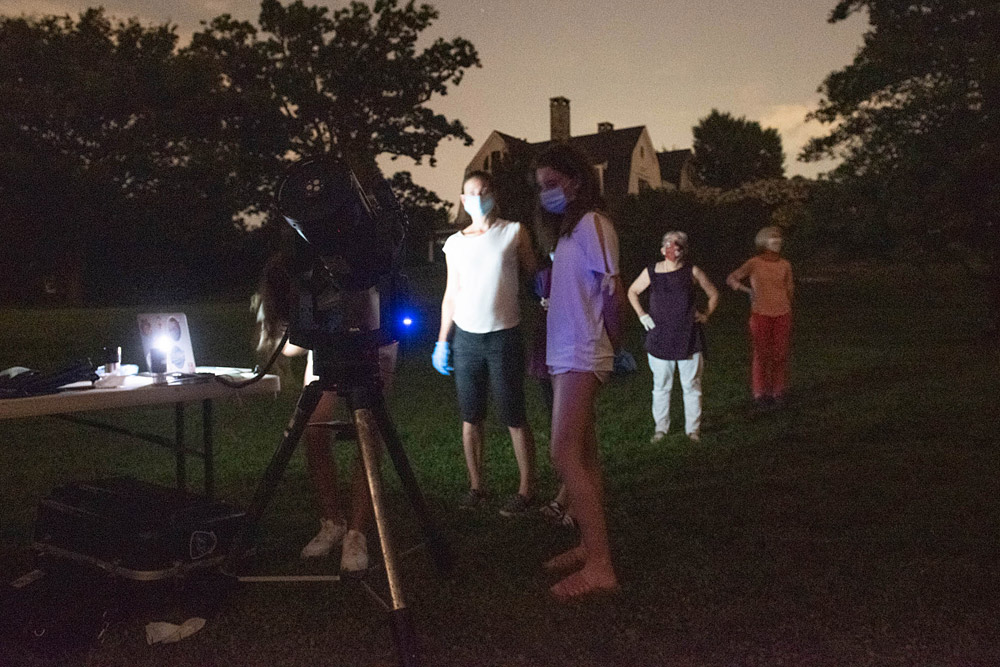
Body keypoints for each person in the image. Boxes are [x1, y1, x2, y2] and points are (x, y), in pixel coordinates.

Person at [254, 252, 397, 572]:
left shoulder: (351, 268)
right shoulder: (305, 275)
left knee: (367, 434)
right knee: (314, 431)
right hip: (325, 353)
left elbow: (362, 312)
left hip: (373, 344)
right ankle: (333, 522)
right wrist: (272, 328)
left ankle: (357, 533)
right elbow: (294, 346)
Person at [534, 143, 623, 600]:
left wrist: (616, 348)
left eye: (552, 183)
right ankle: (590, 547)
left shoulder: (593, 224)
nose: (546, 193)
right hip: (566, 351)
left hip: (582, 352)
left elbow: (612, 292)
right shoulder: (569, 231)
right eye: (541, 187)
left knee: (563, 452)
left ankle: (601, 566)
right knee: (584, 455)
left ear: (576, 180)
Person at [433, 170, 539, 516]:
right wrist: (442, 341)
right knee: (471, 416)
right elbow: (451, 293)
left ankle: (526, 489)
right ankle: (477, 486)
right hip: (467, 339)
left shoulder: (514, 232)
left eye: (484, 191)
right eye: (471, 193)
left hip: (504, 335)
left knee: (513, 415)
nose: (478, 198)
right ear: (463, 200)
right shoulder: (455, 243)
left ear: (493, 195)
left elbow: (534, 276)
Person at [627, 231, 719, 443]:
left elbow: (713, 293)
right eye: (669, 244)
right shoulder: (651, 271)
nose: (674, 248)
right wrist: (642, 315)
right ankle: (661, 429)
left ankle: (693, 430)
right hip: (660, 338)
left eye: (679, 244)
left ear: (684, 249)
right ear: (662, 250)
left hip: (688, 337)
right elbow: (632, 291)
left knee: (691, 386)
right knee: (661, 386)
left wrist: (705, 314)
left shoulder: (692, 271)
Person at [726, 225, 794, 409]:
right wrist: (747, 290)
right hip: (760, 314)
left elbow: (789, 289)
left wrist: (786, 304)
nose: (777, 241)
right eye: (773, 237)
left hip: (782, 313)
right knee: (761, 353)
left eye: (779, 237)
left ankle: (778, 391)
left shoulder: (785, 265)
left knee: (780, 353)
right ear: (764, 241)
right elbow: (732, 278)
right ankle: (760, 392)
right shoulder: (754, 263)